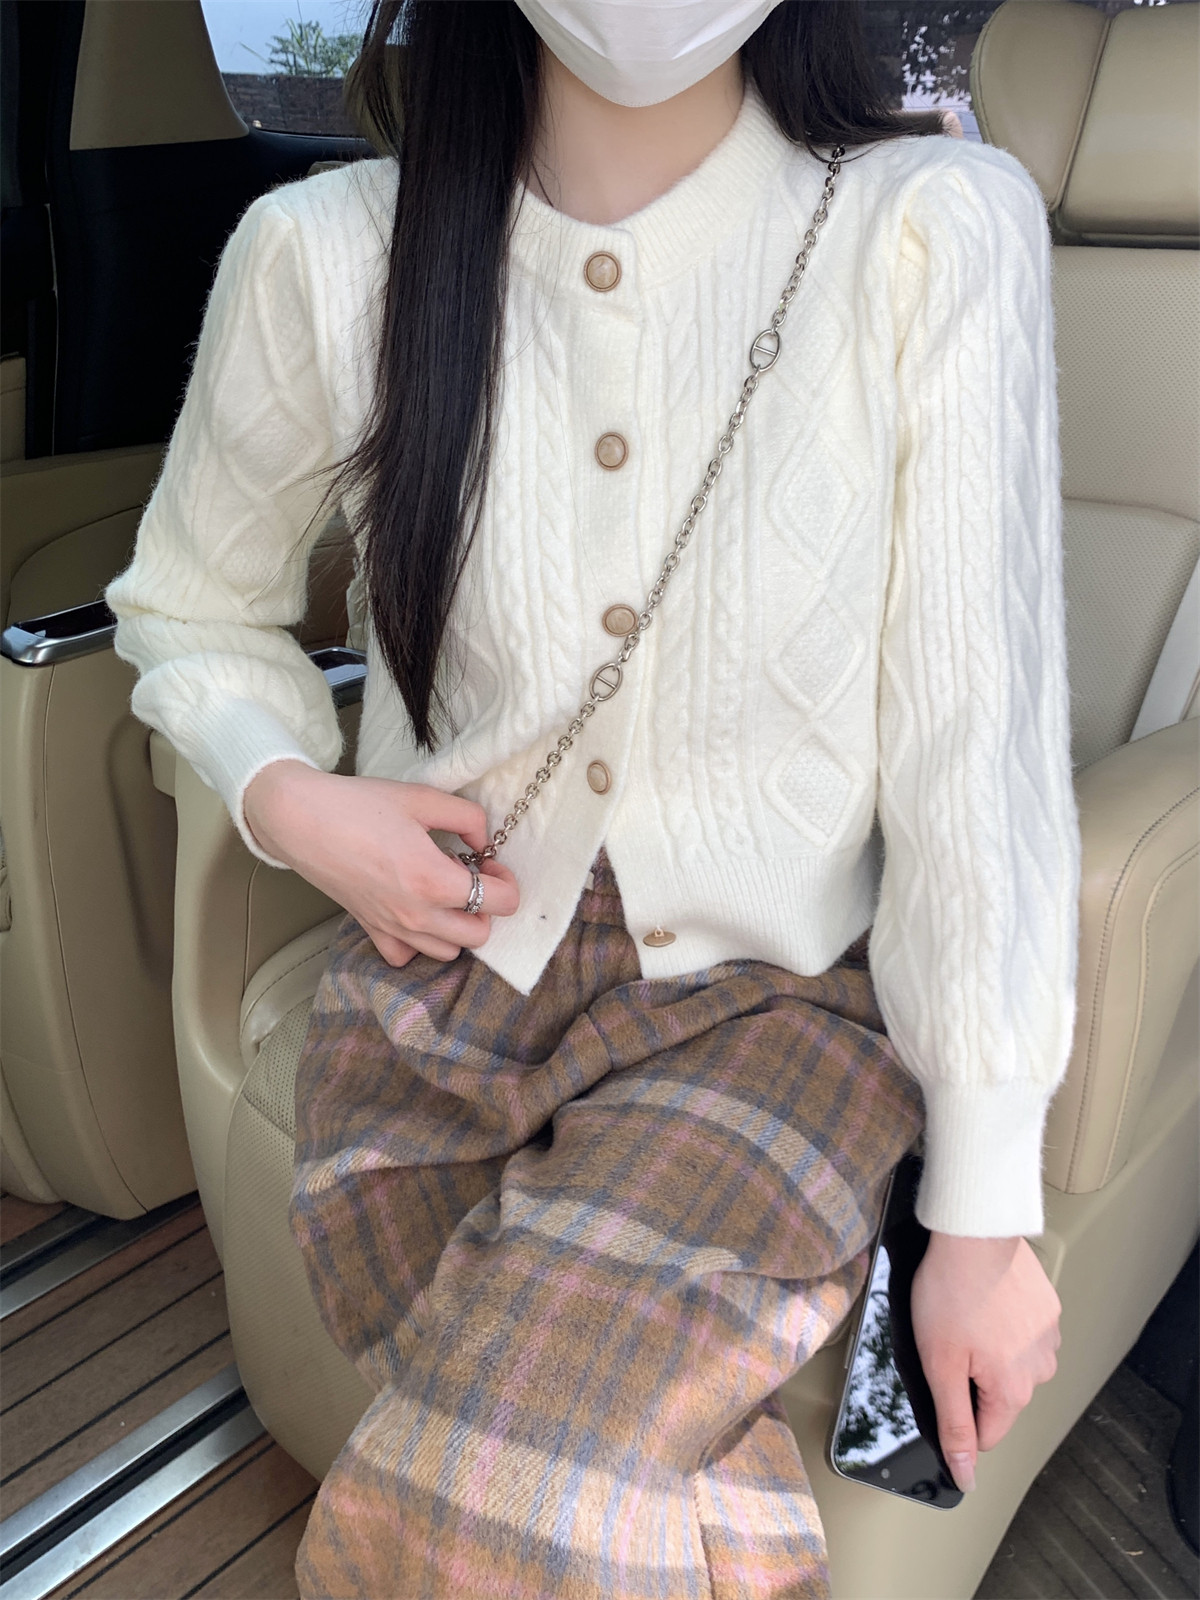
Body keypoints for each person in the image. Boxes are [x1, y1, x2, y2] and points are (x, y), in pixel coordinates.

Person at [104, 2, 1081, 1594]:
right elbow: (186, 603)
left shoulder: (934, 227)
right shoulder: (327, 253)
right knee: (532, 1479)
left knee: (500, 1482)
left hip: (782, 1005)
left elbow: (980, 741)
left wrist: (982, 1211)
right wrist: (295, 802)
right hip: (437, 997)